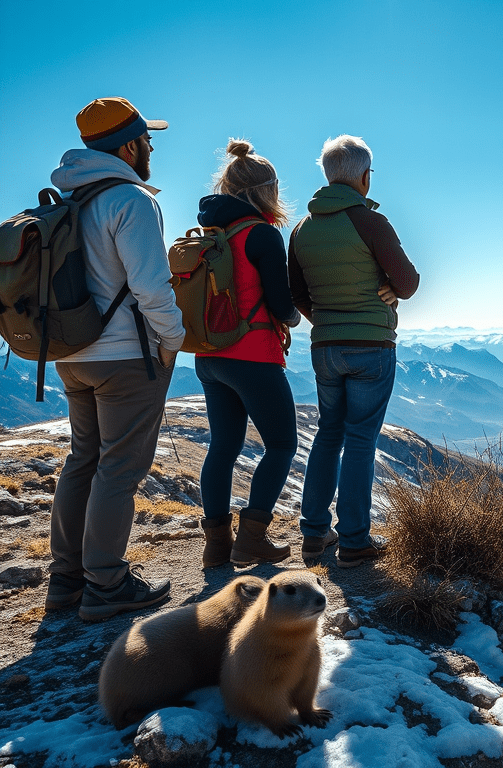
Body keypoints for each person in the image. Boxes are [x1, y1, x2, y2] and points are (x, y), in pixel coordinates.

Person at [45, 97, 185, 621]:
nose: (150, 147)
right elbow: (151, 286)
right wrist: (172, 339)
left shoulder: (68, 201)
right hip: (125, 357)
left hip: (71, 353)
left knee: (82, 458)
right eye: (146, 139)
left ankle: (67, 579)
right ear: (127, 147)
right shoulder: (130, 199)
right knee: (120, 468)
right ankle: (106, 583)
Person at [289, 135, 419, 567]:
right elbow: (408, 284)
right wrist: (387, 290)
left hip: (324, 348)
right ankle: (354, 541)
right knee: (361, 439)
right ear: (364, 177)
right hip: (371, 347)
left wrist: (328, 320)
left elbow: (296, 293)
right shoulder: (370, 222)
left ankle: (313, 534)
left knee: (328, 433)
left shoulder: (301, 230)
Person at [194, 140, 302, 567]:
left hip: (209, 355)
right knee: (282, 443)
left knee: (223, 447)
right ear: (267, 190)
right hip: (252, 355)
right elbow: (281, 305)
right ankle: (252, 539)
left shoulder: (210, 233)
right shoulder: (261, 234)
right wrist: (295, 317)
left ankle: (217, 545)